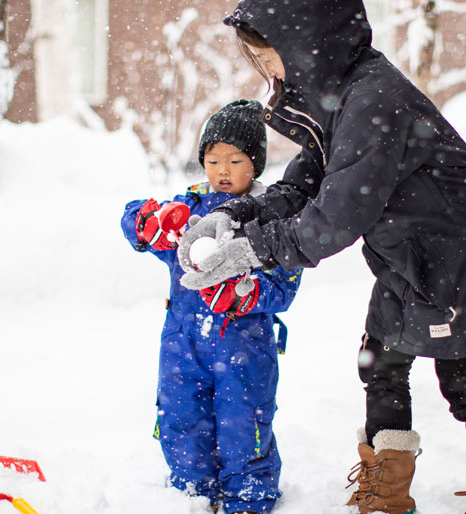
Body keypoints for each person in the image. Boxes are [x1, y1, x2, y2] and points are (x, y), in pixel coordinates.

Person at [177, 2, 466, 514]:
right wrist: (241, 214)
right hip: (408, 257)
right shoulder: (343, 96)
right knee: (381, 364)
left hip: (459, 259)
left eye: (271, 59)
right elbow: (307, 182)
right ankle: (386, 493)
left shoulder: (374, 100)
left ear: (307, 46)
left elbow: (336, 217)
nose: (270, 72)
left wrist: (255, 250)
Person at [121, 99, 302, 514]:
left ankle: (248, 500)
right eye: (213, 159)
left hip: (245, 349)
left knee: (244, 426)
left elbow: (284, 286)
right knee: (182, 422)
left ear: (254, 164)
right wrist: (150, 221)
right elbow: (132, 220)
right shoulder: (187, 210)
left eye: (235, 160)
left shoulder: (270, 217)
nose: (222, 170)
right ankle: (191, 498)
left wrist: (245, 292)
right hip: (182, 345)